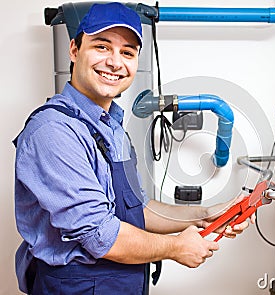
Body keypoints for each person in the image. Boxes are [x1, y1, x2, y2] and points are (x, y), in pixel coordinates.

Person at [13, 2, 255, 295]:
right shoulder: (54, 132)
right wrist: (176, 246)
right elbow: (100, 235)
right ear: (74, 50)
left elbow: (137, 210)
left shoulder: (112, 127)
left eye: (127, 52)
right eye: (102, 47)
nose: (115, 62)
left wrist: (205, 215)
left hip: (121, 284)